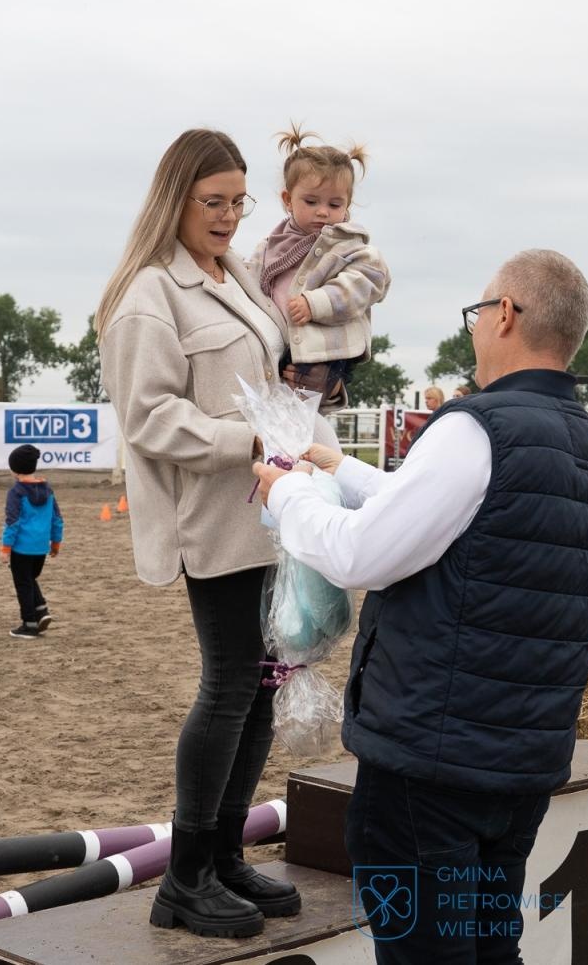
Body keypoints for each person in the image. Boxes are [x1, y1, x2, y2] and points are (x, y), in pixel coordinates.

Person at [253, 249, 588, 964]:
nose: (475, 326)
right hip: (522, 755)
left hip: (432, 764)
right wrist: (344, 470)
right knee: (491, 946)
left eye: (479, 311)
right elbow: (462, 519)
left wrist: (287, 493)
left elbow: (361, 554)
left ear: (505, 315)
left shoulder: (476, 426)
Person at [97, 128, 337, 939]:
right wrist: (252, 439)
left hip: (265, 510)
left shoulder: (234, 275)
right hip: (211, 518)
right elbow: (148, 418)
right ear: (176, 199)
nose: (230, 215)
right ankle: (185, 877)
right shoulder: (148, 296)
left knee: (262, 682)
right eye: (214, 201)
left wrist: (305, 432)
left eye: (239, 201)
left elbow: (264, 381)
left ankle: (225, 855)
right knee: (231, 682)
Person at [248, 124, 391, 410]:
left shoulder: (350, 247)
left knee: (303, 413)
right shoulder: (269, 248)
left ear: (347, 205)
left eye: (335, 204)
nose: (323, 212)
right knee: (274, 408)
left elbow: (368, 280)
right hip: (280, 347)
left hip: (326, 352)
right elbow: (249, 282)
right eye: (311, 201)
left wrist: (316, 303)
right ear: (288, 200)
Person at [0, 444, 63, 639]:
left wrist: (6, 547)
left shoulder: (16, 492)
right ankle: (41, 611)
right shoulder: (48, 490)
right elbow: (57, 519)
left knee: (23, 584)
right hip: (41, 548)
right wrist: (56, 543)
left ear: (15, 470)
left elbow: (12, 522)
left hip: (21, 548)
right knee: (29, 579)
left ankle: (29, 624)